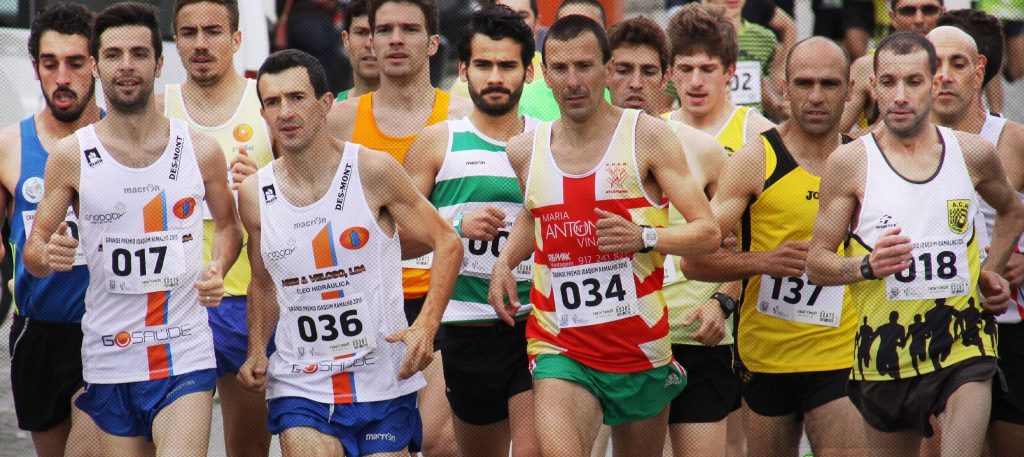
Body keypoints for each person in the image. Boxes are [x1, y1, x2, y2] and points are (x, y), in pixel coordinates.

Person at [489, 15, 721, 457]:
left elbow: (707, 232)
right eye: (560, 69)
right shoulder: (525, 149)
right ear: (544, 74)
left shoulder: (646, 137)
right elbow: (537, 213)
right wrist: (505, 262)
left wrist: (645, 238)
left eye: (584, 66)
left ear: (607, 68)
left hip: (639, 345)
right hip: (559, 343)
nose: (573, 82)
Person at [23, 3, 243, 455]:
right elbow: (34, 251)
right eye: (114, 55)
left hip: (184, 354)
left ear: (159, 63)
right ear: (96, 65)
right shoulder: (71, 156)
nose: (127, 65)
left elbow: (228, 228)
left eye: (139, 54)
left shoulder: (200, 151)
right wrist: (46, 255)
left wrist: (218, 266)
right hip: (111, 358)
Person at [806, 31, 1024, 457]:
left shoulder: (972, 153)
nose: (901, 96)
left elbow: (1012, 210)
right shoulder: (850, 162)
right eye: (889, 82)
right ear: (873, 87)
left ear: (933, 83)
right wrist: (865, 267)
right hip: (886, 355)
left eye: (914, 81)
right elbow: (816, 263)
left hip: (963, 344)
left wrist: (989, 271)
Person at [236, 48, 462, 457]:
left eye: (297, 98)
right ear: (263, 114)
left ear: (325, 104)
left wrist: (426, 325)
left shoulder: (372, 171)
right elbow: (264, 283)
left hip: (381, 381)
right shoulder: (255, 195)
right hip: (301, 383)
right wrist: (256, 349)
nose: (286, 112)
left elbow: (447, 241)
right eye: (273, 102)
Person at [680, 37, 867, 457]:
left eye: (829, 84)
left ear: (849, 91)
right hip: (767, 354)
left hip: (842, 351)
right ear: (783, 88)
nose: (816, 96)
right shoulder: (757, 159)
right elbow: (694, 260)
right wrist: (764, 261)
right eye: (803, 83)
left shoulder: (865, 160)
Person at [326, 1, 471, 454]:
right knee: (379, 442)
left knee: (436, 440)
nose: (394, 39)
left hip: (446, 299)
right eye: (384, 29)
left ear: (433, 43)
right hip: (363, 305)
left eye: (409, 29)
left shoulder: (464, 116)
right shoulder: (340, 121)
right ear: (368, 40)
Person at [402, 7, 540, 456]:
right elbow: (395, 240)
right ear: (463, 70)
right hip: (465, 326)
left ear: (529, 72)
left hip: (537, 325)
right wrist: (456, 228)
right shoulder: (437, 143)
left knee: (533, 449)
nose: (495, 77)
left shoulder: (549, 142)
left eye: (507, 65)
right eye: (483, 65)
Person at [605, 16, 739, 457]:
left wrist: (722, 302)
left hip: (691, 333)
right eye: (623, 70)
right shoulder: (579, 152)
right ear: (605, 72)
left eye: (648, 71)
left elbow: (740, 244)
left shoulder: (702, 150)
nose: (635, 83)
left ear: (666, 77)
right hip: (613, 337)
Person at [164, 0, 276, 455]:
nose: (200, 43)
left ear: (236, 39)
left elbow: (306, 195)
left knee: (247, 448)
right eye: (188, 33)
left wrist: (263, 184)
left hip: (250, 300)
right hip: (173, 300)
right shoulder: (159, 107)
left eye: (212, 31)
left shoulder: (267, 105)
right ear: (176, 41)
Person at [0, 4, 102, 456]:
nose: (62, 77)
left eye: (76, 63)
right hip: (38, 332)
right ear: (35, 67)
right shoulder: (9, 146)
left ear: (95, 64)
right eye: (50, 63)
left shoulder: (122, 141)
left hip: (106, 331)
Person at [926, 22, 1024, 456]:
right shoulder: (895, 146)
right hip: (931, 324)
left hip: (1004, 324)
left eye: (957, 64)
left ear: (980, 69)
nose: (944, 76)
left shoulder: (1012, 139)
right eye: (934, 65)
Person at [665, 3, 775, 155]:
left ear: (729, 71)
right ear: (671, 72)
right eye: (686, 69)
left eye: (707, 69)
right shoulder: (656, 134)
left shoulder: (759, 134)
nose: (695, 82)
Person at [839, 0, 945, 134]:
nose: (919, 19)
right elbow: (834, 136)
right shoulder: (866, 66)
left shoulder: (956, 66)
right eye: (908, 11)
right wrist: (884, 133)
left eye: (928, 10)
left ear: (943, 14)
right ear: (892, 17)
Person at [702, 0, 784, 120]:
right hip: (707, 127)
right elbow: (669, 103)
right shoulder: (693, 39)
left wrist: (781, 109)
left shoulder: (764, 38)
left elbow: (762, 85)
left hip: (751, 127)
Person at [335, 0, 378, 102]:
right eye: (361, 33)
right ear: (346, 39)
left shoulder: (414, 110)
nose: (369, 44)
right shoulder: (331, 110)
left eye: (379, 32)